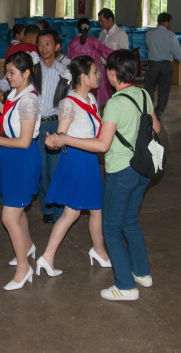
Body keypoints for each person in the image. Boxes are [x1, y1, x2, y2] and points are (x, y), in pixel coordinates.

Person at [46, 49, 161, 301]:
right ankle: (143, 273)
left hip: (122, 171)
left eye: (102, 70)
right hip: (143, 169)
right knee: (130, 221)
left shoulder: (115, 103)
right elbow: (156, 127)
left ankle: (125, 286)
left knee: (111, 229)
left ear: (112, 73)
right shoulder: (142, 94)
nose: (100, 74)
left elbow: (102, 145)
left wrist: (64, 138)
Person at [36, 55, 110, 277]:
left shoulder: (91, 100)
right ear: (83, 77)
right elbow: (61, 134)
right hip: (77, 161)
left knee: (90, 210)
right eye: (95, 72)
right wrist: (53, 141)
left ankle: (96, 250)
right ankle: (51, 256)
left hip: (88, 160)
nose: (99, 75)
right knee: (75, 213)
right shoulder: (69, 103)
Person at [0, 51, 42, 291]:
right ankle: (27, 246)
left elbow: (25, 141)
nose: (7, 77)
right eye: (6, 72)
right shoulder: (16, 94)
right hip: (11, 156)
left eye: (12, 72)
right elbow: (7, 111)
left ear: (27, 72)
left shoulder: (29, 100)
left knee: (9, 217)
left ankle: (23, 268)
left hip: (21, 156)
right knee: (16, 209)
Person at [34, 28, 71, 225]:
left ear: (57, 46)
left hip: (56, 122)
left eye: (47, 44)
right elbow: (8, 80)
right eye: (40, 44)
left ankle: (58, 207)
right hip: (35, 124)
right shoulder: (31, 68)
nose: (43, 48)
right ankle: (47, 206)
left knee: (56, 169)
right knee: (41, 169)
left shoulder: (65, 71)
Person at [144, 12, 181, 119]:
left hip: (152, 65)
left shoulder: (148, 34)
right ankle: (157, 113)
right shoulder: (171, 35)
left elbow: (148, 46)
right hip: (165, 66)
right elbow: (178, 54)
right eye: (170, 22)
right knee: (164, 91)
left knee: (149, 89)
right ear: (167, 22)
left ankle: (148, 112)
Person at [66, 18, 114, 106]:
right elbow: (107, 52)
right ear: (89, 28)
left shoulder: (72, 43)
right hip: (93, 75)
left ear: (77, 28)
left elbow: (68, 60)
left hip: (79, 75)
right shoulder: (93, 41)